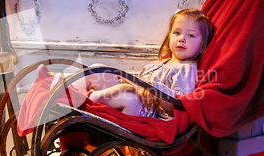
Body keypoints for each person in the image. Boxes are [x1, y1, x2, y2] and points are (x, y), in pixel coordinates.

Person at [77, 9, 214, 118]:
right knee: (98, 70)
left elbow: (178, 106)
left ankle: (82, 99)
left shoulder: (185, 69)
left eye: (190, 35)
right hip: (129, 99)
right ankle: (65, 90)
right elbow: (137, 84)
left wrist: (156, 89)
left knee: (128, 94)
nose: (182, 39)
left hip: (146, 114)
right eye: (177, 33)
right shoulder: (157, 64)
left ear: (202, 46)